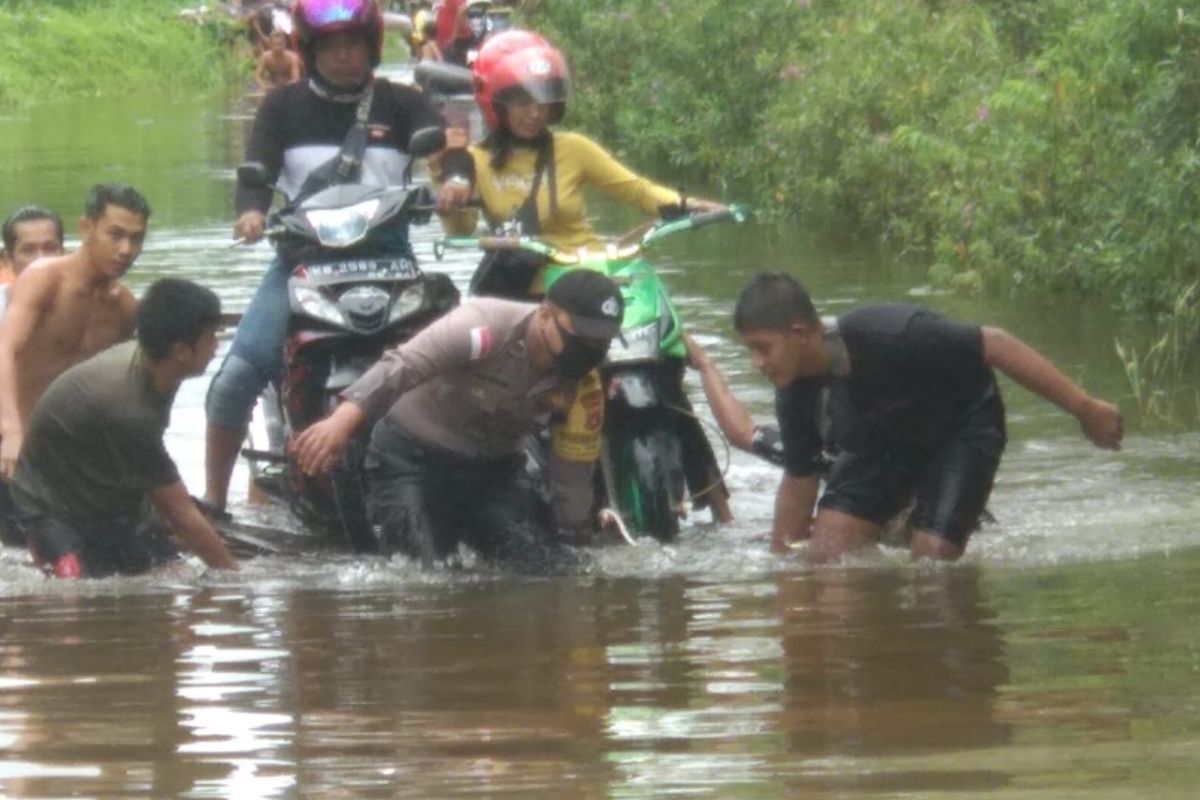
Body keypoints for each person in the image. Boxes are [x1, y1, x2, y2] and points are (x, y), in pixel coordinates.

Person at [436, 29, 732, 523]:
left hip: (596, 279)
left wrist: (687, 206)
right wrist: (450, 201)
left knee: (666, 363)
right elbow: (463, 225)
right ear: (495, 103)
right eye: (521, 101)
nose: (535, 111)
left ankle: (715, 496)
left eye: (544, 100)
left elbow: (635, 189)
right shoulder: (476, 163)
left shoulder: (573, 148)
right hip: (532, 298)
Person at [203, 0, 461, 515]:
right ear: (310, 49)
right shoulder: (281, 108)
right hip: (303, 263)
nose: (344, 57)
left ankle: (469, 482)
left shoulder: (403, 102)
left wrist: (456, 180)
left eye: (354, 46)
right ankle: (212, 501)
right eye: (332, 47)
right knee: (236, 377)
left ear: (371, 47)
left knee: (458, 366)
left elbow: (446, 148)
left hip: (391, 260)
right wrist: (251, 214)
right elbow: (255, 176)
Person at [733, 272, 1124, 562]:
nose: (756, 363)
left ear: (799, 332)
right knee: (826, 557)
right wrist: (782, 572)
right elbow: (800, 480)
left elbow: (997, 344)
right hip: (882, 440)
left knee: (932, 566)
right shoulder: (794, 394)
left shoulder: (893, 333)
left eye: (762, 349)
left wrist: (1085, 407)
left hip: (961, 427)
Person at [293, 269, 625, 563]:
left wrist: (574, 541)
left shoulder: (584, 386)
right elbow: (402, 366)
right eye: (580, 337)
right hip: (411, 461)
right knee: (421, 575)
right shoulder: (484, 326)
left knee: (541, 567)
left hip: (494, 476)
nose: (591, 350)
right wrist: (341, 420)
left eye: (602, 342)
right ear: (544, 316)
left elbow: (573, 474)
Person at [9, 279, 238, 578]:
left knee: (173, 575)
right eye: (211, 337)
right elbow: (178, 511)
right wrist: (235, 578)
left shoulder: (156, 368)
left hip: (113, 503)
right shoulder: (128, 407)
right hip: (51, 508)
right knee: (71, 594)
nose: (216, 347)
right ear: (182, 350)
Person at [0, 184, 148, 481]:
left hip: (74, 455)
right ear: (86, 228)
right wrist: (11, 431)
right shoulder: (44, 278)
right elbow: (5, 349)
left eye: (136, 238)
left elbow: (121, 389)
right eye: (115, 235)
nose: (125, 250)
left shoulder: (125, 307)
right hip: (15, 444)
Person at [0, 206, 65, 317]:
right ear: (9, 259)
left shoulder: (86, 307)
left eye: (50, 248)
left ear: (63, 253)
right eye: (28, 251)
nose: (41, 259)